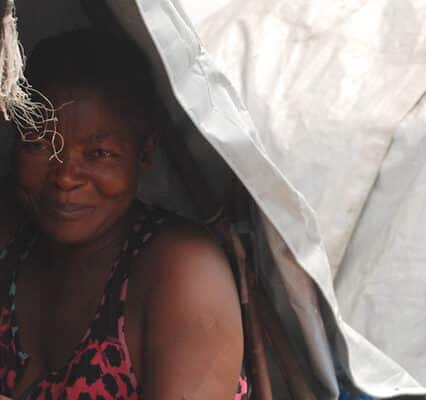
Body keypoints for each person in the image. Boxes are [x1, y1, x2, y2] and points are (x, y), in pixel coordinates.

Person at [0, 29, 247, 399]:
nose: (65, 177)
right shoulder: (12, 230)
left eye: (99, 154)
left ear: (143, 154)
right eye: (37, 144)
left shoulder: (182, 270)